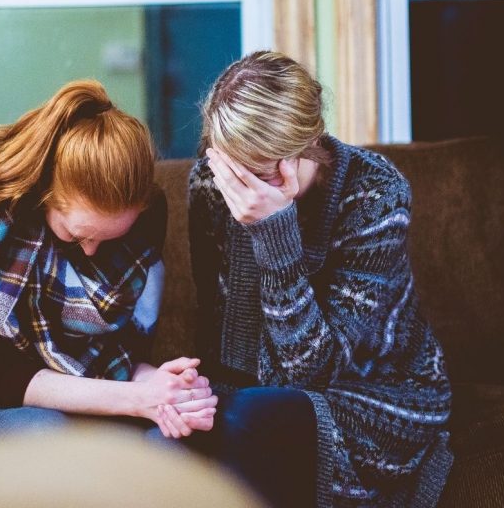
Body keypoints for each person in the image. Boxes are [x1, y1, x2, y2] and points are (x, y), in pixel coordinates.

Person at [187, 51, 454, 507]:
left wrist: (275, 233)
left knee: (249, 420)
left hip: (373, 394)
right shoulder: (212, 185)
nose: (238, 186)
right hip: (254, 393)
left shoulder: (375, 194)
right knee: (176, 434)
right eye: (229, 165)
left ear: (304, 147)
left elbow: (313, 373)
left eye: (257, 170)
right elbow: (220, 334)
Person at [0, 80, 217, 454]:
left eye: (107, 239)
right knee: (48, 435)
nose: (92, 252)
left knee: (173, 444)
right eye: (77, 236)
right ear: (43, 193)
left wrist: (166, 387)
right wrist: (138, 399)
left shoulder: (146, 216)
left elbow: (123, 356)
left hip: (89, 398)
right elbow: (0, 379)